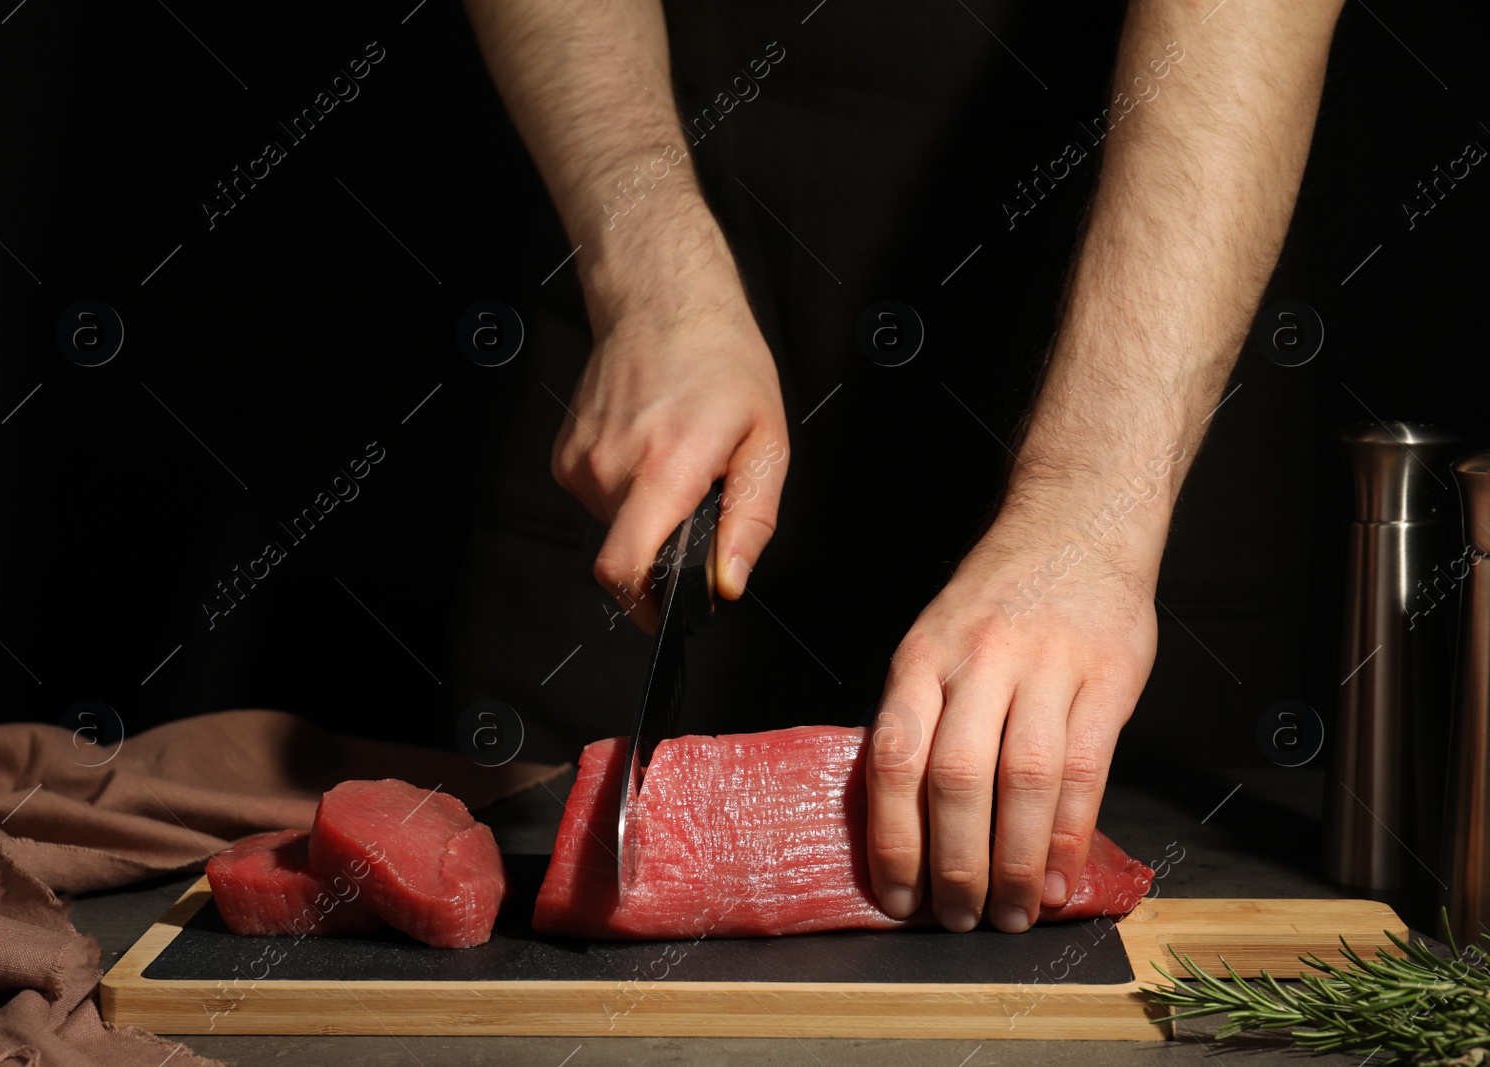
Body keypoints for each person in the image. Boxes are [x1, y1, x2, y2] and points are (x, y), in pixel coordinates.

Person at [461, 0, 1347, 932]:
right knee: (551, 831)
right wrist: (645, 262)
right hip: (664, 304)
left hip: (1133, 308)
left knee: (1144, 854)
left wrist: (1091, 502)